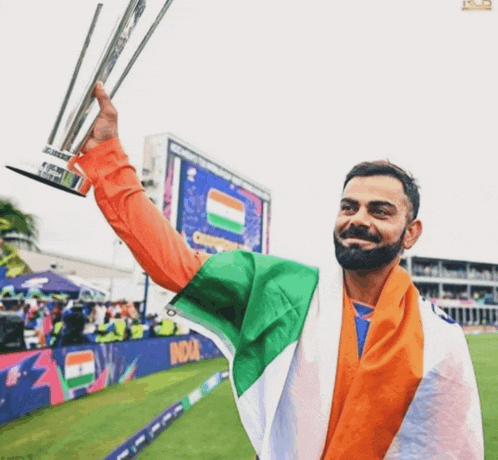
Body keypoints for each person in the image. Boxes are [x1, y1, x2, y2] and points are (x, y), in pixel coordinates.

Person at [74, 82, 484, 459]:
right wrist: (108, 155)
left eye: (380, 211)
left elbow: (452, 447)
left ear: (410, 233)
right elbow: (175, 265)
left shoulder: (440, 339)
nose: (358, 219)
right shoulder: (283, 290)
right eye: (348, 206)